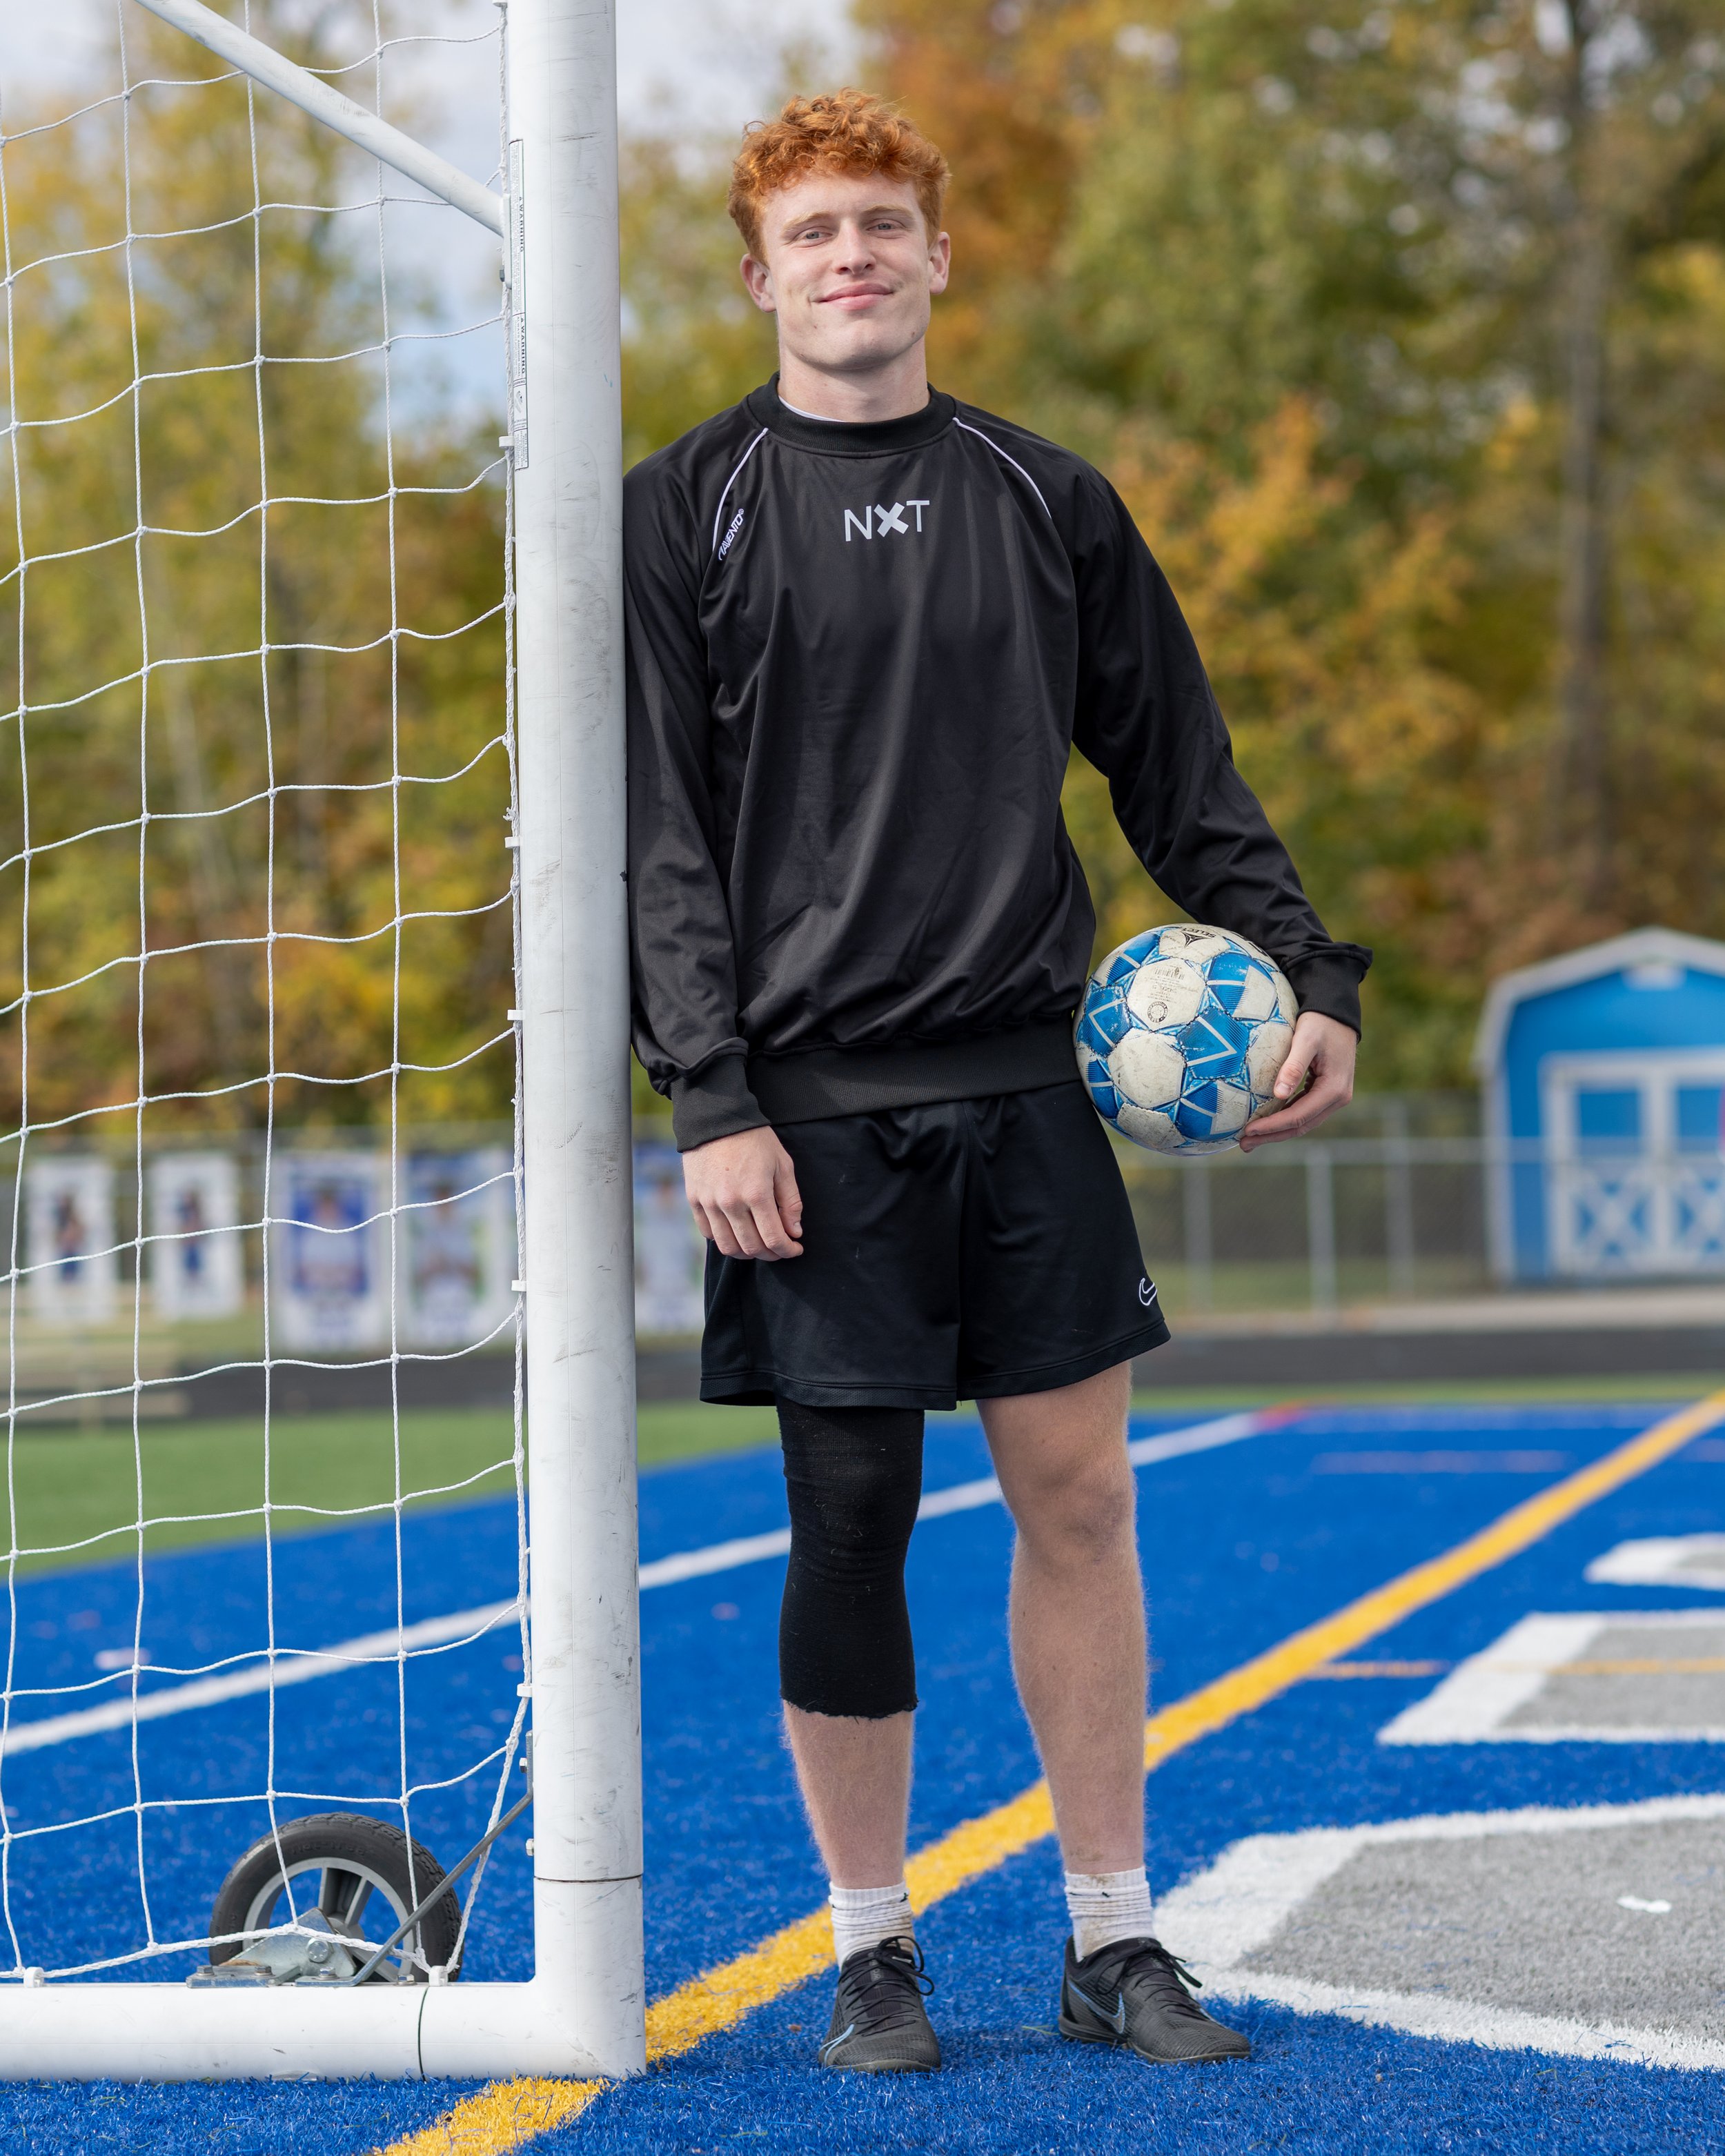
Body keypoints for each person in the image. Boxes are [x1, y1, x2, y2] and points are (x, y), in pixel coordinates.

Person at [624, 88, 1370, 2075]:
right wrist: (707, 1093)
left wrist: (1313, 974)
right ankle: (873, 1951)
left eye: (882, 224)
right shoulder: (678, 507)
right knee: (847, 1516)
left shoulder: (1048, 500)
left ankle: (1111, 1936)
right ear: (758, 275)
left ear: (940, 258)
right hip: (803, 1108)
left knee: (1077, 1498)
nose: (850, 257)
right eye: (811, 235)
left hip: (1028, 1088)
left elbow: (1176, 773)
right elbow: (657, 838)